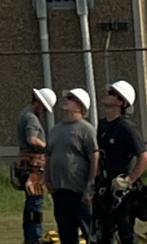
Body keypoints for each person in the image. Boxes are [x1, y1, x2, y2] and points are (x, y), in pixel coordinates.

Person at [95, 83, 147, 244]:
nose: (107, 94)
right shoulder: (103, 125)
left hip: (120, 192)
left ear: (121, 102)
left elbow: (144, 157)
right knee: (103, 234)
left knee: (125, 234)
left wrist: (128, 182)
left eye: (112, 93)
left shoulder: (126, 127)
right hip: (104, 187)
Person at [44, 88, 98, 244]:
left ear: (80, 106)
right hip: (60, 191)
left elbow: (94, 156)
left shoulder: (86, 129)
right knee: (66, 234)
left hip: (79, 191)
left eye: (71, 98)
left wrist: (90, 185)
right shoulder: (55, 130)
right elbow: (49, 155)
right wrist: (47, 178)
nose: (66, 99)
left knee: (89, 232)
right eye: (66, 97)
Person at [14, 87, 54, 244]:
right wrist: (48, 148)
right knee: (35, 206)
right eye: (44, 107)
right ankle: (34, 238)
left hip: (26, 166)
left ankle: (29, 238)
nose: (43, 111)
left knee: (30, 205)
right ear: (38, 102)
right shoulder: (31, 118)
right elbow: (32, 139)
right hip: (33, 168)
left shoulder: (24, 113)